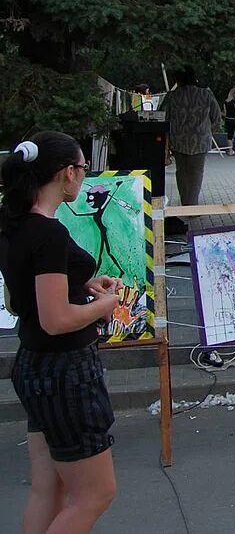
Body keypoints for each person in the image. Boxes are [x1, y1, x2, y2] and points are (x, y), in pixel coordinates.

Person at [0, 133, 120, 531]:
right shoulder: (47, 233)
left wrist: (80, 285)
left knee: (47, 489)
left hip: (34, 365)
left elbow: (23, 300)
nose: (84, 177)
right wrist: (105, 306)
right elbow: (55, 319)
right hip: (65, 372)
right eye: (83, 168)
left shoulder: (16, 225)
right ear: (67, 173)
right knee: (95, 494)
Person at [162, 67, 223, 206]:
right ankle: (192, 203)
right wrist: (208, 131)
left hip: (178, 139)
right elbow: (217, 117)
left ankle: (185, 201)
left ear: (179, 80)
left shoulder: (172, 96)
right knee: (196, 172)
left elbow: (164, 117)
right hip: (201, 139)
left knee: (181, 172)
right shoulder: (206, 95)